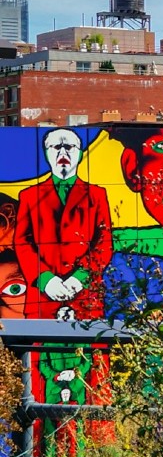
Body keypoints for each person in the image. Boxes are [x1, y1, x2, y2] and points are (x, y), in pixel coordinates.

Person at [15, 128, 113, 320]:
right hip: (42, 299)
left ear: (80, 154)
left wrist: (81, 277)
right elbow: (22, 243)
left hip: (86, 297)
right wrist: (45, 279)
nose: (63, 153)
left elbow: (104, 242)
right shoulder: (29, 196)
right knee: (40, 348)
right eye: (56, 147)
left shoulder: (96, 195)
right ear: (46, 153)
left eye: (69, 147)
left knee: (89, 348)